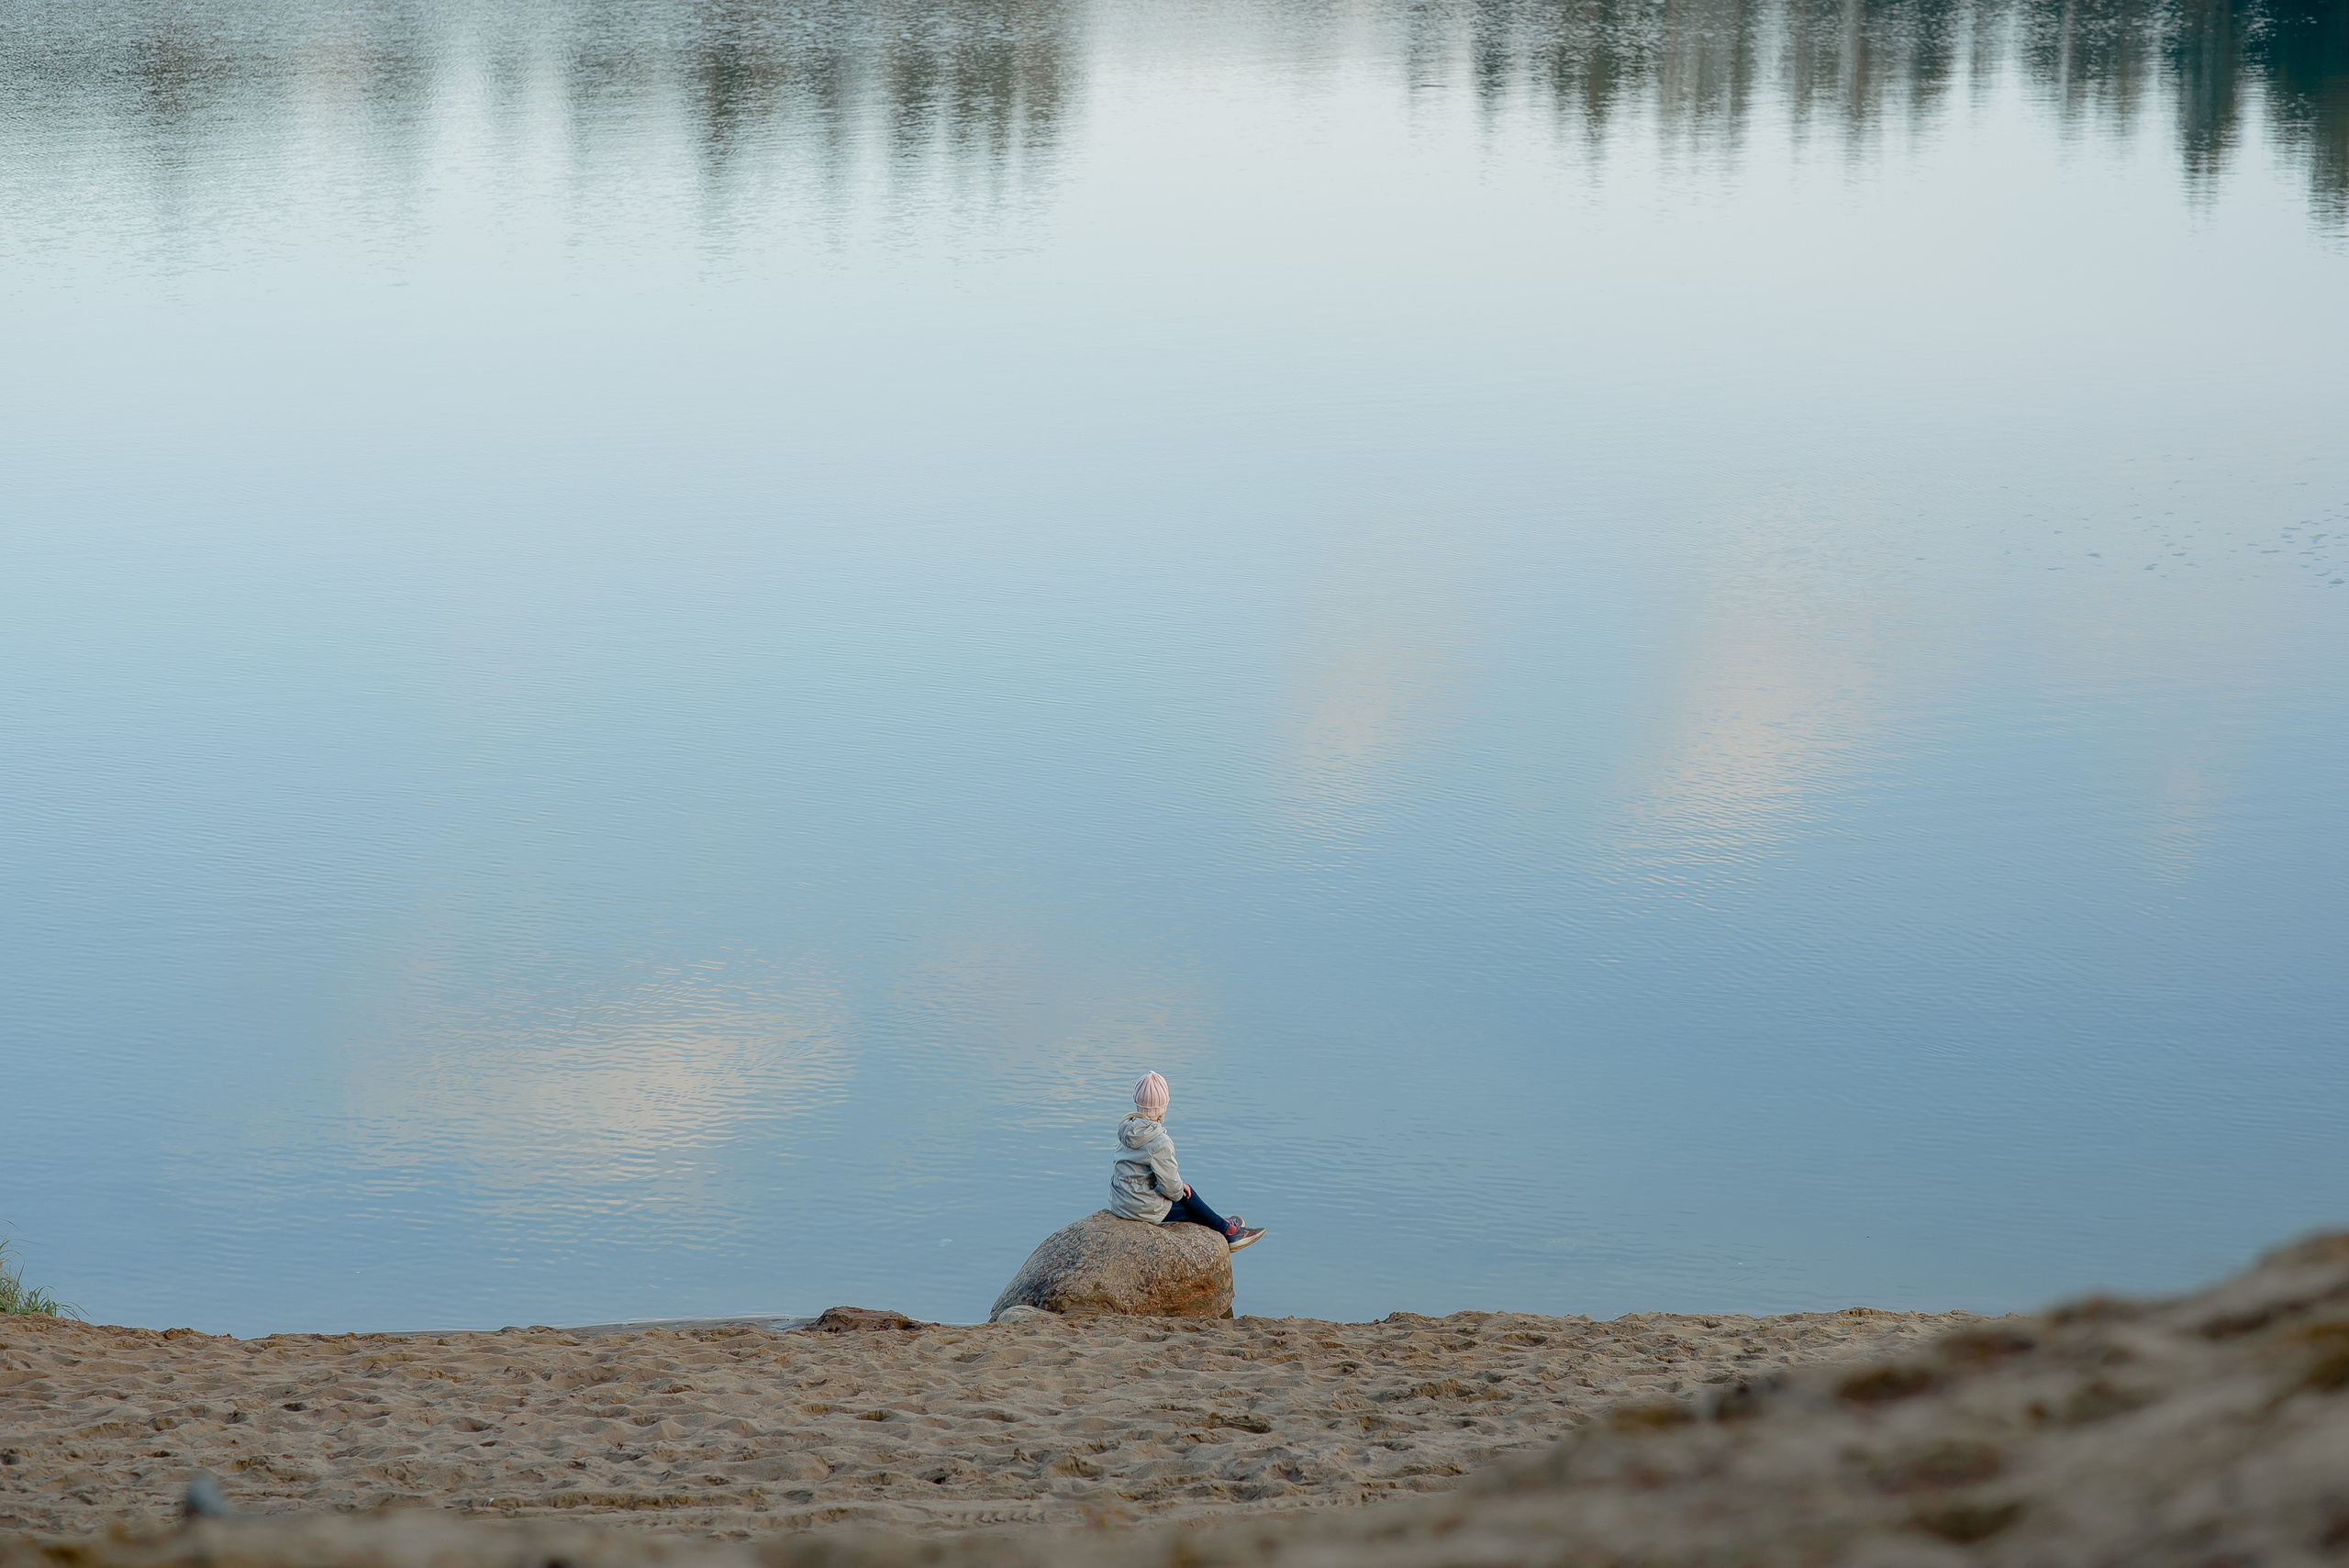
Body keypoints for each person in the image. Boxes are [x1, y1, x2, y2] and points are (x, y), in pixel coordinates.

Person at [1108, 1072, 1265, 1251]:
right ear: (1165, 1104)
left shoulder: (1126, 1130)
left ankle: (1226, 1225)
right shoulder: (1159, 1141)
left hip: (1120, 1202)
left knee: (1184, 1192)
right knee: (1188, 1197)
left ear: (1135, 1100)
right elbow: (1172, 1191)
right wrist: (1178, 1189)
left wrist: (1177, 1187)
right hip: (1140, 1209)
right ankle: (1229, 1231)